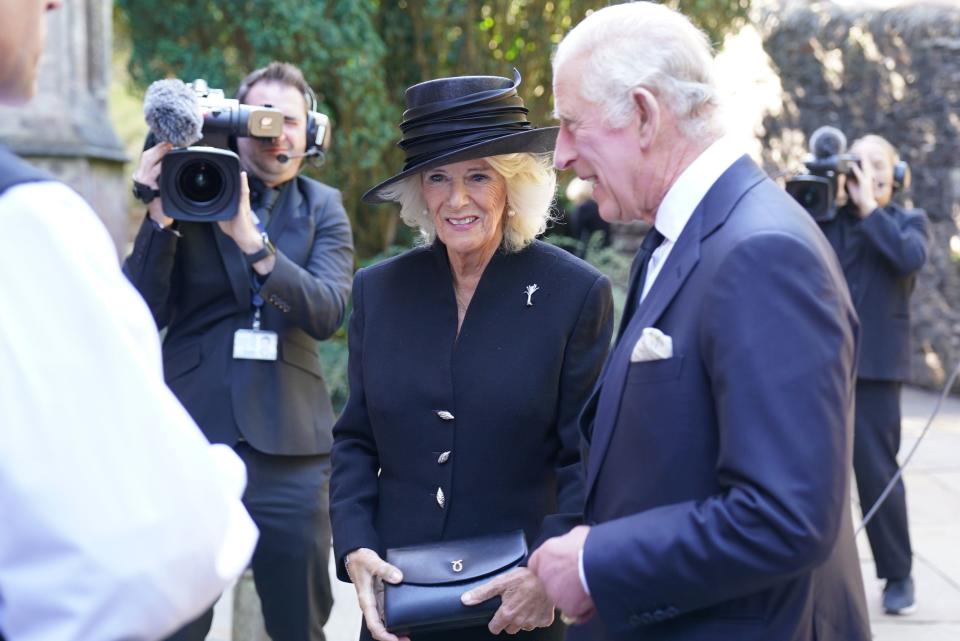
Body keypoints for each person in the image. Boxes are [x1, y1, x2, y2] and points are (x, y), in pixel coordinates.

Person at [528, 4, 871, 640]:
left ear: (644, 113)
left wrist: (596, 563)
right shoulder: (676, 240)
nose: (563, 155)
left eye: (573, 125)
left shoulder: (763, 253)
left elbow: (784, 515)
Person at [0, 1, 258, 640]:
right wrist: (157, 211)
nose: (55, 4)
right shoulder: (26, 222)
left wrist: (251, 237)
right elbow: (139, 563)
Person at [329, 72, 613, 641]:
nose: (457, 200)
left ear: (513, 184)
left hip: (517, 607)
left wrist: (546, 577)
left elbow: (587, 459)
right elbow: (356, 438)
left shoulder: (574, 295)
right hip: (398, 604)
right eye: (438, 178)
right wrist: (356, 545)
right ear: (419, 191)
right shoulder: (378, 291)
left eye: (478, 176)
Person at [124, 61, 354, 641]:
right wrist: (160, 217)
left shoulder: (322, 206)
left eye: (291, 122)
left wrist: (252, 242)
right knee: (173, 621)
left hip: (292, 450)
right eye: (262, 119)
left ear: (313, 133)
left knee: (299, 624)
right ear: (235, 125)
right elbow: (139, 313)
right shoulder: (190, 185)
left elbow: (328, 311)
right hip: (192, 438)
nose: (277, 134)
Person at [820, 133, 929, 615]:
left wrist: (869, 212)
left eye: (877, 162)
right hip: (826, 367)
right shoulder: (832, 222)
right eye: (858, 162)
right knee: (817, 474)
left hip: (878, 372)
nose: (868, 170)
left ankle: (898, 574)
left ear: (895, 172)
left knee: (877, 474)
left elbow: (908, 259)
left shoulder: (908, 222)